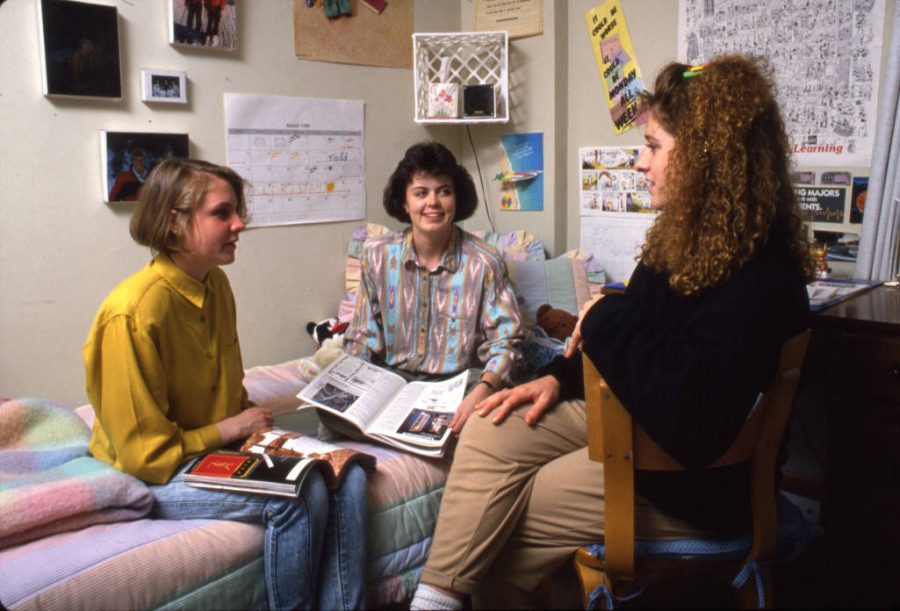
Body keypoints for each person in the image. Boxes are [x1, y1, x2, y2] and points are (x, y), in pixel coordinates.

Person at [410, 53, 814, 609]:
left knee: (504, 520)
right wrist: (557, 376)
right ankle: (433, 601)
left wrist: (603, 317)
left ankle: (447, 598)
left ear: (705, 157)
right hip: (637, 423)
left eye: (653, 146)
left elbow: (691, 417)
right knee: (488, 427)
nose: (642, 163)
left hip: (693, 483)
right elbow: (637, 334)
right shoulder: (688, 238)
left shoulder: (763, 278)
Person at [84, 158, 368, 610]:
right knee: (298, 494)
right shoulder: (132, 313)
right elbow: (145, 455)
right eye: (222, 213)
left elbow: (226, 391)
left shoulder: (215, 284)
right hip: (158, 469)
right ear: (174, 224)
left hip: (214, 447)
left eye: (237, 212)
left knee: (347, 472)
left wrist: (252, 428)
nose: (239, 224)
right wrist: (233, 429)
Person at [342, 141, 524, 435]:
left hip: (457, 385)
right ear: (404, 203)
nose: (433, 203)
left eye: (444, 191)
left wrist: (484, 390)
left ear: (457, 198)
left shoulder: (485, 263)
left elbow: (506, 343)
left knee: (490, 424)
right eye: (421, 193)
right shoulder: (376, 255)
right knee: (330, 416)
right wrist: (346, 386)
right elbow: (363, 337)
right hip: (393, 381)